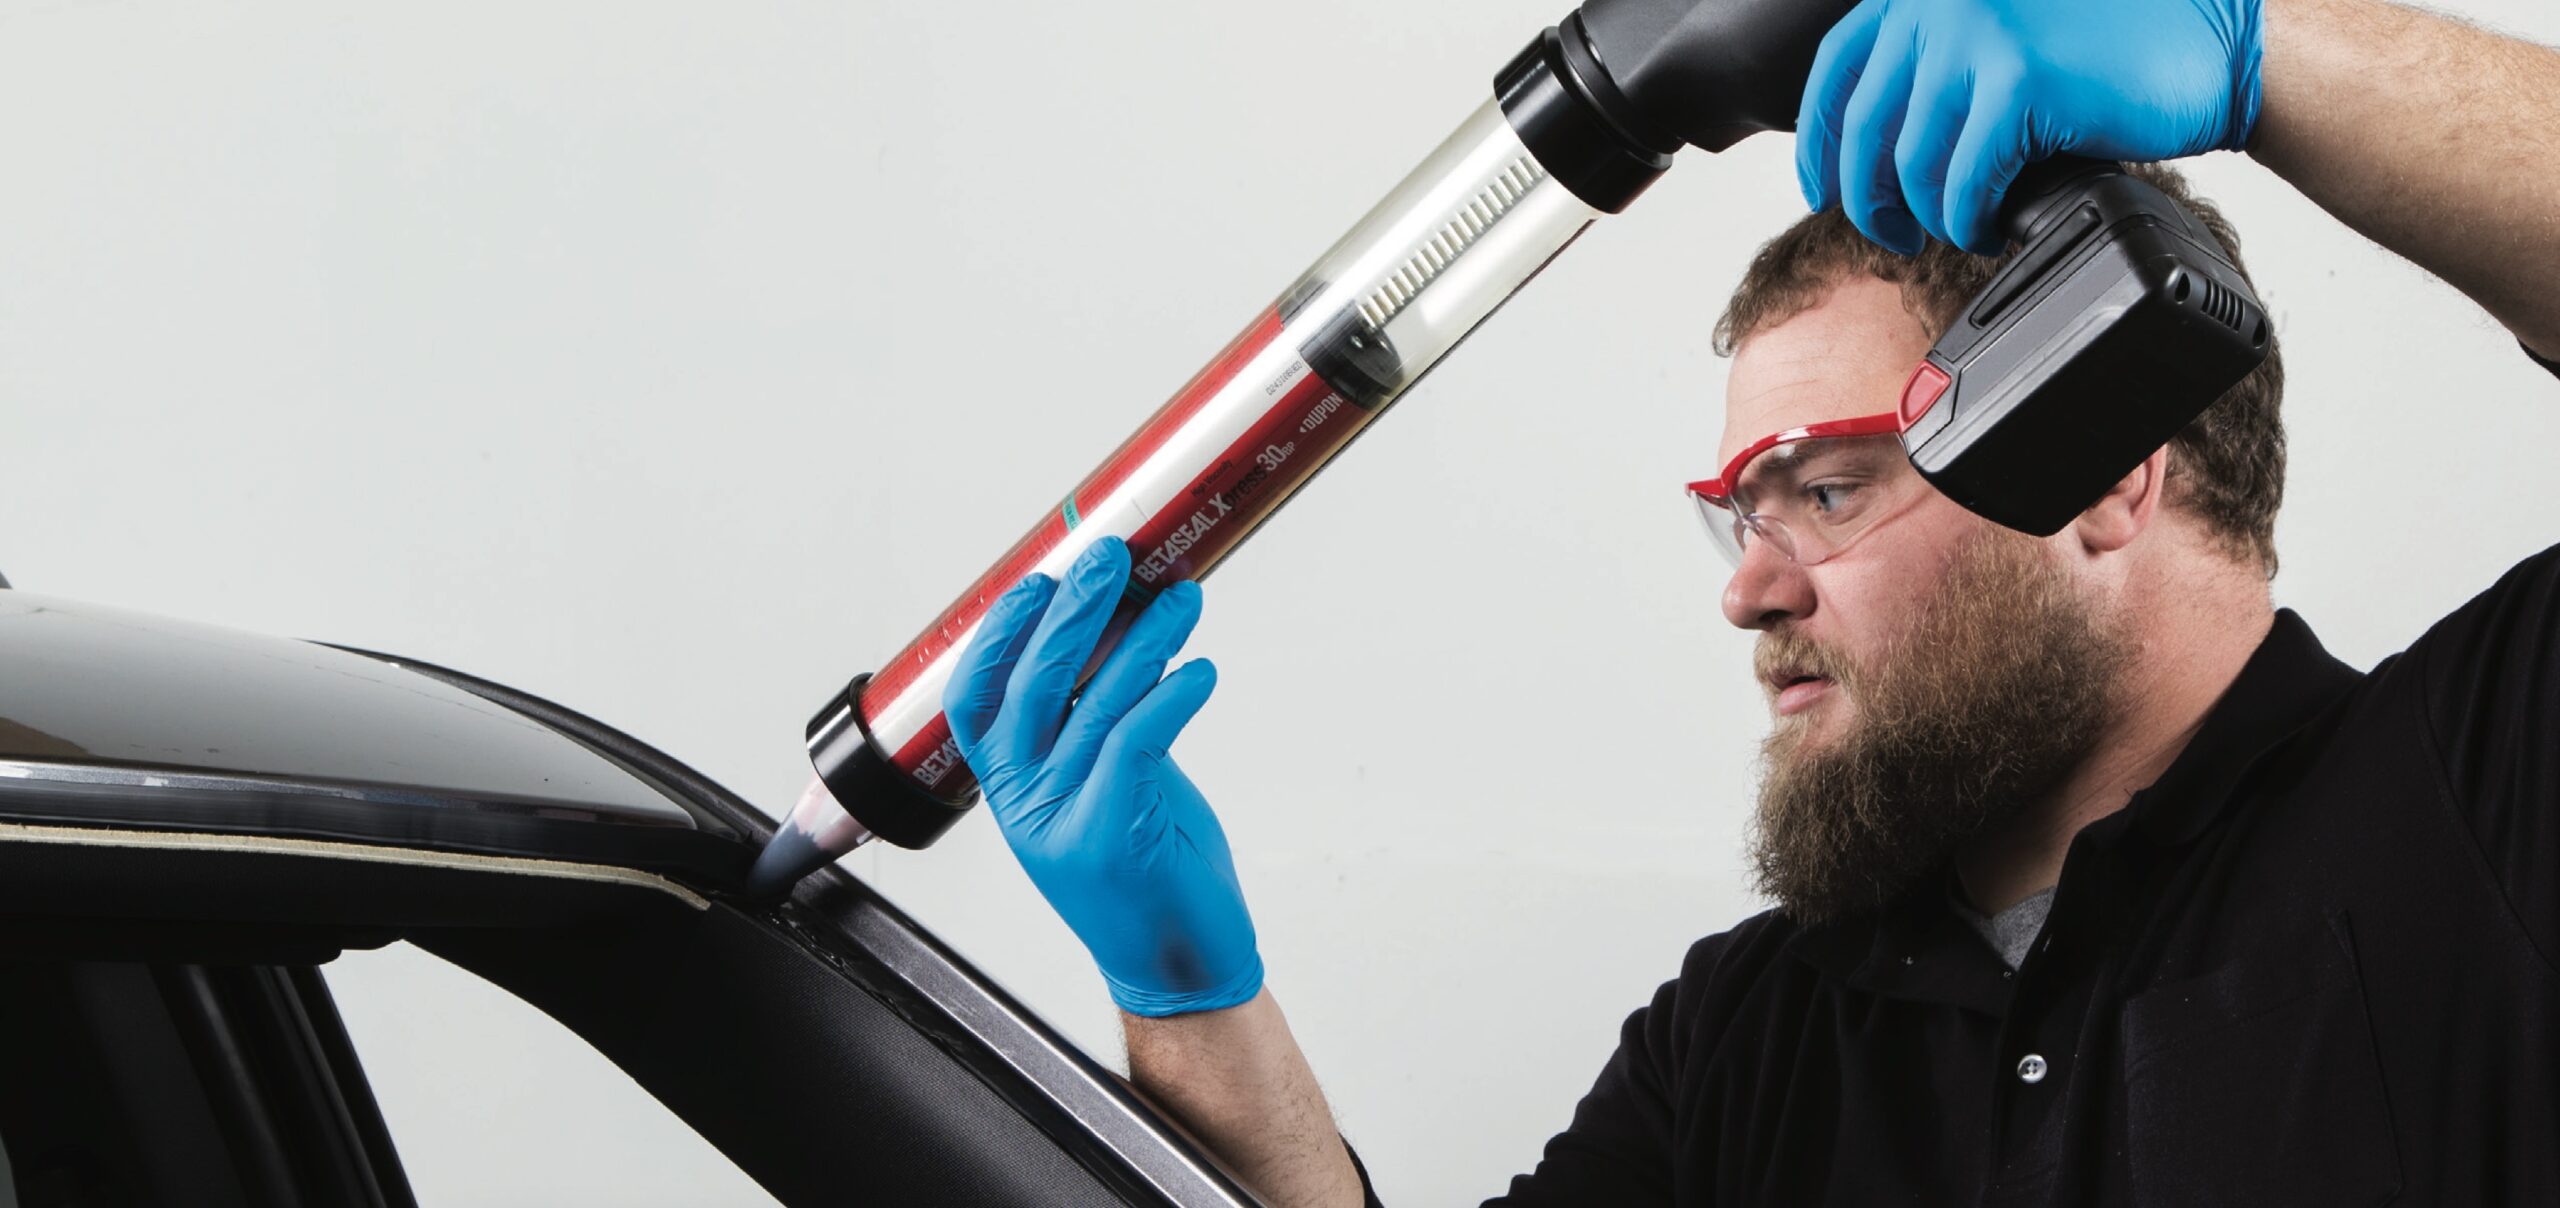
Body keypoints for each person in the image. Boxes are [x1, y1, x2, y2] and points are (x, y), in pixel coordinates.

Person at [938, 0, 2560, 1201]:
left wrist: (2257, 44)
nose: (1751, 594)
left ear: (2104, 467)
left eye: (1828, 493)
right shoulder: (1750, 1040)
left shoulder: (2483, 793)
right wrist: (1196, 1007)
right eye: (1738, 522)